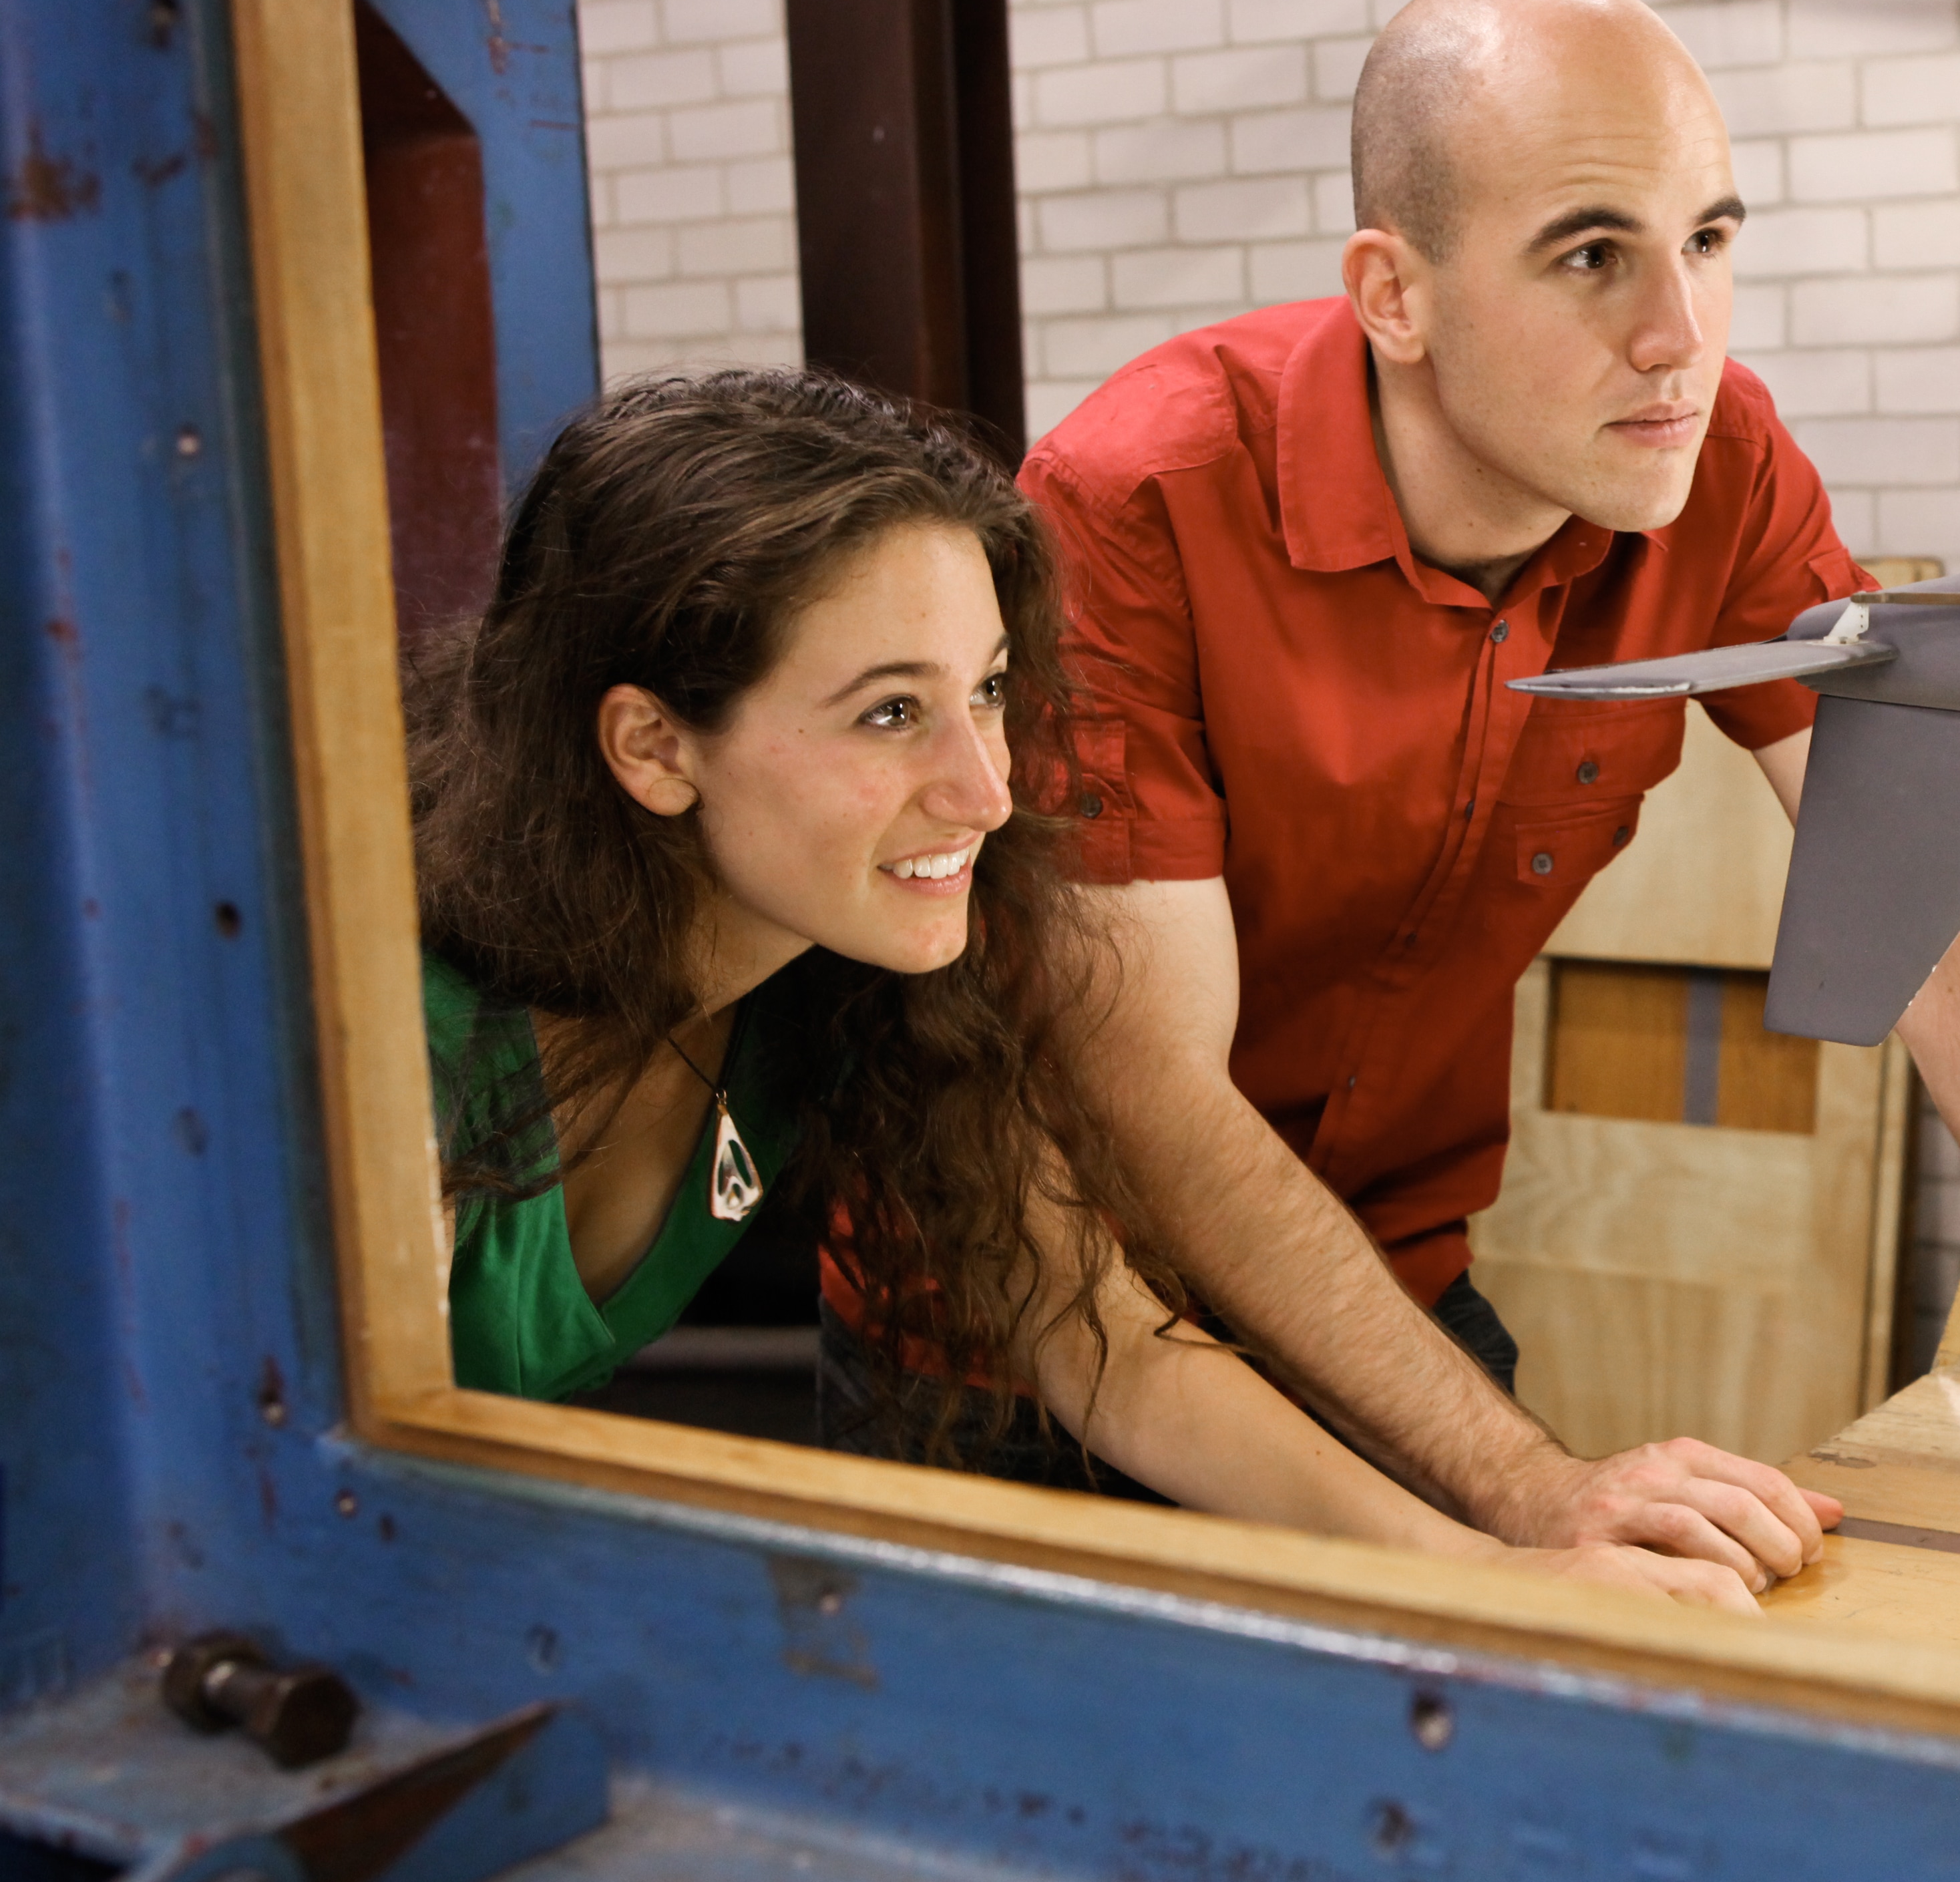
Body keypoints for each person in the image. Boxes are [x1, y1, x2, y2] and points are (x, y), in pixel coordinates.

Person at [1020, 0, 1960, 1587]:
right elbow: (1155, 1104)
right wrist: (1528, 1486)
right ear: (1395, 294)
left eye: (1710, 240)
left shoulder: (1711, 462)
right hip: (1054, 1332)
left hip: (1388, 1283)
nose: (1678, 335)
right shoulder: (1132, 510)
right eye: (1592, 256)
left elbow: (1937, 913)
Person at [405, 369, 1755, 1611]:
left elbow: (1107, 1336)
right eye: (889, 711)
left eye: (986, 690)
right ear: (651, 744)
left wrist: (1499, 1568)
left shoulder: (834, 969)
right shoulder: (403, 1045)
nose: (986, 788)